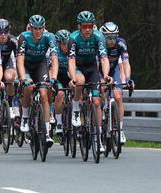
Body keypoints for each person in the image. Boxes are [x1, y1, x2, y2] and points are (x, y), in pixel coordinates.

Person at [68, 11, 112, 152]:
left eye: (90, 26)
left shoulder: (99, 37)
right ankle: (76, 107)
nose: (88, 29)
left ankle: (98, 139)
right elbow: (71, 59)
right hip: (78, 67)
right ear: (79, 26)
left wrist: (106, 75)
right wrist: (73, 77)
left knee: (97, 102)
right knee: (80, 81)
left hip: (92, 68)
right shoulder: (73, 38)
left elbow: (104, 58)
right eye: (85, 26)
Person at [17, 15, 58, 146]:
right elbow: (20, 60)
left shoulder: (49, 37)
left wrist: (54, 78)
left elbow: (54, 58)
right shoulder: (24, 37)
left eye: (41, 28)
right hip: (27, 66)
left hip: (40, 65)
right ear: (31, 28)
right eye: (35, 28)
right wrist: (23, 78)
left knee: (44, 93)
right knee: (28, 87)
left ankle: (46, 132)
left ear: (44, 28)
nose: (38, 31)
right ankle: (25, 116)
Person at [100, 21, 132, 143]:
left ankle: (120, 129)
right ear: (103, 36)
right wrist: (104, 78)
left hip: (114, 70)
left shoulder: (121, 43)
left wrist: (128, 79)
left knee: (118, 96)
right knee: (102, 88)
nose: (112, 40)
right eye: (109, 37)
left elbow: (126, 63)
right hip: (100, 70)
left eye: (114, 37)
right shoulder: (99, 43)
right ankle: (104, 107)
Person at [0, 18, 19, 118]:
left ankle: (11, 104)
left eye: (5, 32)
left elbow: (18, 59)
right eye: (0, 32)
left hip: (7, 64)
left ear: (9, 31)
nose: (3, 35)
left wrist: (18, 75)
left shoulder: (13, 40)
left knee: (10, 78)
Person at [52, 30, 71, 134]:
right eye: (64, 44)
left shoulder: (73, 51)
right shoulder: (54, 52)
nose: (66, 46)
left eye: (68, 43)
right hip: (58, 76)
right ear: (58, 43)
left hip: (69, 76)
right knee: (60, 93)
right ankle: (59, 122)